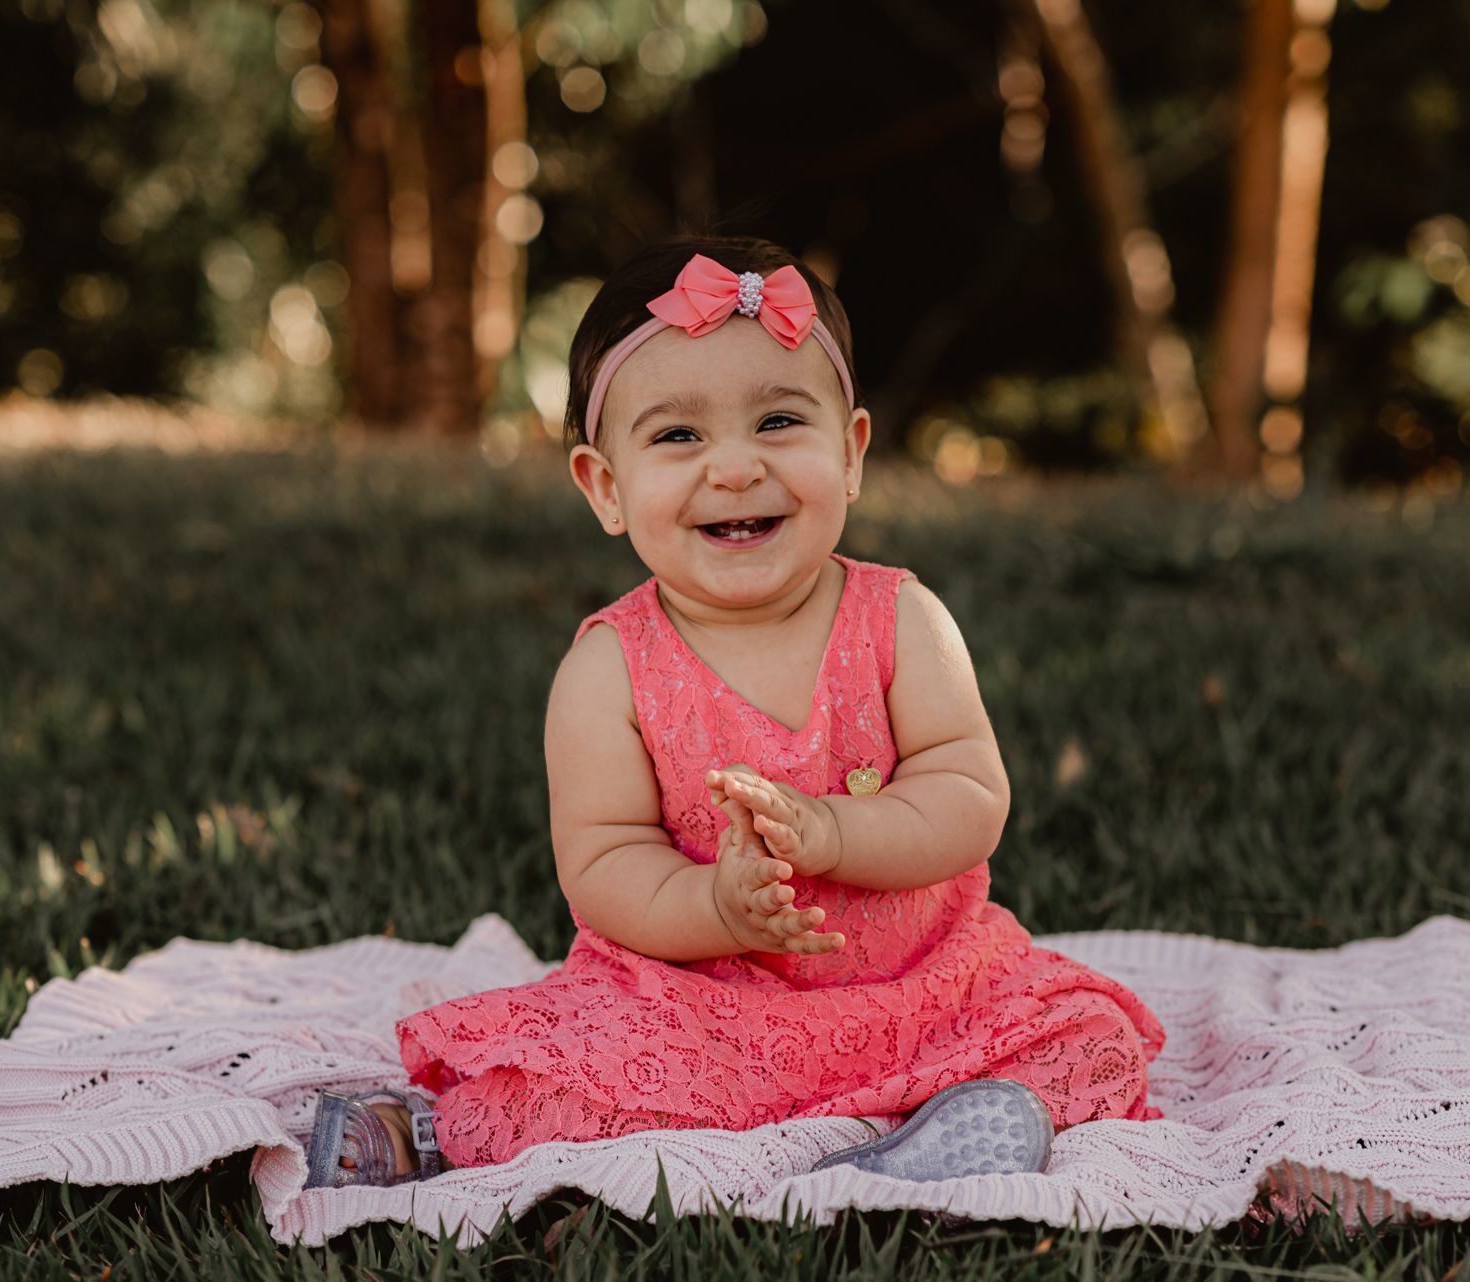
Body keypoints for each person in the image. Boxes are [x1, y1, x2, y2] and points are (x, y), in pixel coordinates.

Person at [302, 235, 1167, 1190]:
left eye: (780, 421)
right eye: (678, 437)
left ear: (850, 453)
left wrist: (835, 831)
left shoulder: (899, 619)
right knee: (570, 1077)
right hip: (703, 1005)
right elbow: (604, 864)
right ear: (605, 487)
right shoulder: (609, 668)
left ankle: (913, 1141)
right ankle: (435, 1132)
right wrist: (715, 906)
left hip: (925, 988)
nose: (734, 467)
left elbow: (968, 798)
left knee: (1094, 1036)